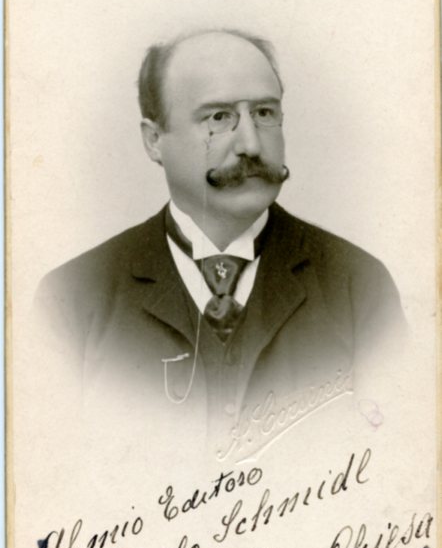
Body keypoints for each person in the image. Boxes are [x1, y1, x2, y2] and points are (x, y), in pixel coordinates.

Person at [36, 29, 406, 444]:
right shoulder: (71, 299)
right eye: (218, 118)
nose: (251, 144)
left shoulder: (360, 286)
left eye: (264, 113)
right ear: (154, 140)